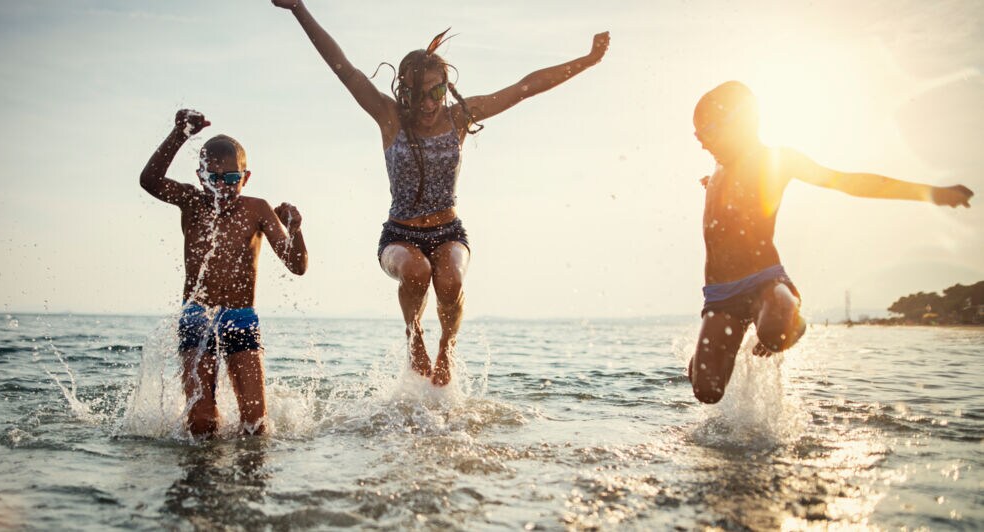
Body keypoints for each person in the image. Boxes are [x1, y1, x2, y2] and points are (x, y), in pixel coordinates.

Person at [272, 0, 609, 386]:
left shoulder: (459, 117)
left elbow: (524, 88)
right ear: (404, 93)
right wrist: (298, 7)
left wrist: (587, 60)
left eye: (438, 92)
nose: (430, 103)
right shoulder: (389, 118)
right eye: (420, 95)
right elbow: (343, 68)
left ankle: (446, 346)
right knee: (416, 272)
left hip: (449, 232)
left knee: (449, 281)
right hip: (399, 235)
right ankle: (414, 335)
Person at [688, 81, 974, 404]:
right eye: (698, 136)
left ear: (739, 123)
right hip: (720, 295)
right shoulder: (718, 168)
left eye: (707, 132)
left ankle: (789, 316)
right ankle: (712, 353)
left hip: (763, 281)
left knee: (774, 333)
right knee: (706, 391)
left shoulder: (777, 160)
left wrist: (930, 193)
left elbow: (850, 182)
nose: (703, 144)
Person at [139, 109, 308, 436]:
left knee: (255, 424)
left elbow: (296, 266)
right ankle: (203, 480)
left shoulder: (256, 209)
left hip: (241, 317)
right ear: (201, 176)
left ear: (245, 178)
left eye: (231, 179)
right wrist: (179, 136)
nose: (222, 187)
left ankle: (250, 481)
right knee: (200, 422)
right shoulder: (191, 200)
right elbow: (150, 181)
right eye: (213, 178)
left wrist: (296, 230)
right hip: (197, 316)